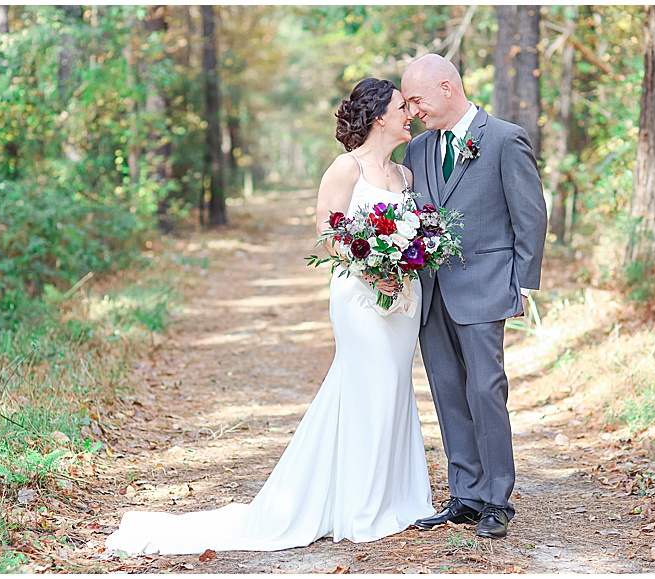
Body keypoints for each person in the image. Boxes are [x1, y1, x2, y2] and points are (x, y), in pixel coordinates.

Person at [104, 78, 435, 555]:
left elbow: (416, 234)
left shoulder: (405, 177)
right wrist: (370, 267)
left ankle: (393, 497)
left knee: (395, 388)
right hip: (360, 298)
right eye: (404, 107)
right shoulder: (346, 168)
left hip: (402, 301)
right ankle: (360, 508)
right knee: (369, 386)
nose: (412, 115)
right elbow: (328, 232)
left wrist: (404, 263)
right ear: (380, 115)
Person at [401, 54, 548, 539]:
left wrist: (522, 283)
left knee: (485, 390)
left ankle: (496, 500)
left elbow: (530, 214)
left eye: (417, 99)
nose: (413, 110)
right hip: (432, 291)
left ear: (447, 87)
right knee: (446, 391)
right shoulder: (418, 150)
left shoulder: (505, 138)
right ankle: (463, 494)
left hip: (485, 286)